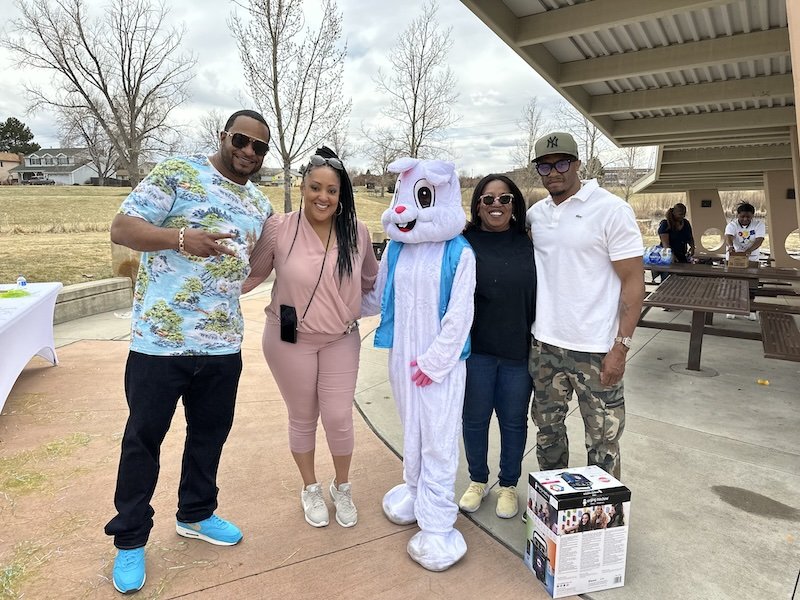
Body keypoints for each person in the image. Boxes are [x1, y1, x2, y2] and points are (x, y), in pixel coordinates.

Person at [105, 109, 273, 594]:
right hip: (160, 345)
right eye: (241, 140)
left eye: (259, 147)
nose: (249, 152)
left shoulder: (259, 202)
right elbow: (122, 228)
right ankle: (130, 539)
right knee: (143, 441)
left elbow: (265, 259)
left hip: (222, 346)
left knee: (209, 436)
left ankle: (196, 513)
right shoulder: (178, 172)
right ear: (223, 136)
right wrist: (181, 238)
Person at [243, 146, 378, 529]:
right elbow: (251, 275)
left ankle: (342, 486)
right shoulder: (278, 228)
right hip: (288, 338)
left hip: (340, 338)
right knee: (303, 417)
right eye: (315, 187)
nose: (323, 197)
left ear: (341, 194)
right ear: (302, 187)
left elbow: (371, 280)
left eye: (332, 190)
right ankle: (310, 487)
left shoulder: (357, 231)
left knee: (338, 417)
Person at [526, 131, 644, 481]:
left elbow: (633, 283)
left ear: (577, 164)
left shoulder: (611, 210)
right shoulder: (536, 215)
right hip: (544, 346)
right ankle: (552, 502)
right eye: (545, 166)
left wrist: (621, 347)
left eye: (562, 163)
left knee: (603, 441)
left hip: (596, 349)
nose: (554, 172)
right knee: (547, 433)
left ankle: (602, 511)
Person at [457, 175, 535, 520]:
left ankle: (508, 485)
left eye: (505, 199)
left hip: (518, 351)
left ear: (514, 204)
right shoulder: (463, 242)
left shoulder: (528, 242)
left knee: (513, 422)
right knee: (474, 420)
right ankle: (477, 480)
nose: (497, 205)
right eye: (488, 199)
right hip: (477, 352)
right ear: (478, 205)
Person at [725, 202, 764, 320]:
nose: (745, 219)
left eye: (748, 216)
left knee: (751, 285)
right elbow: (728, 237)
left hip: (752, 258)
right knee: (733, 283)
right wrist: (731, 247)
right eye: (742, 216)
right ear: (738, 215)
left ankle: (750, 309)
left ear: (752, 215)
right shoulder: (732, 225)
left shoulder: (758, 225)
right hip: (734, 258)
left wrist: (749, 251)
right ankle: (732, 308)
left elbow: (759, 240)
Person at [652, 202, 695, 284]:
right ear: (674, 213)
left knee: (683, 280)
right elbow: (665, 244)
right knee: (668, 280)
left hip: (681, 255)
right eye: (680, 214)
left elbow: (690, 237)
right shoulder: (665, 224)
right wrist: (672, 256)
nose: (682, 216)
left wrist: (692, 247)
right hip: (667, 256)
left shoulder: (686, 223)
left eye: (684, 214)